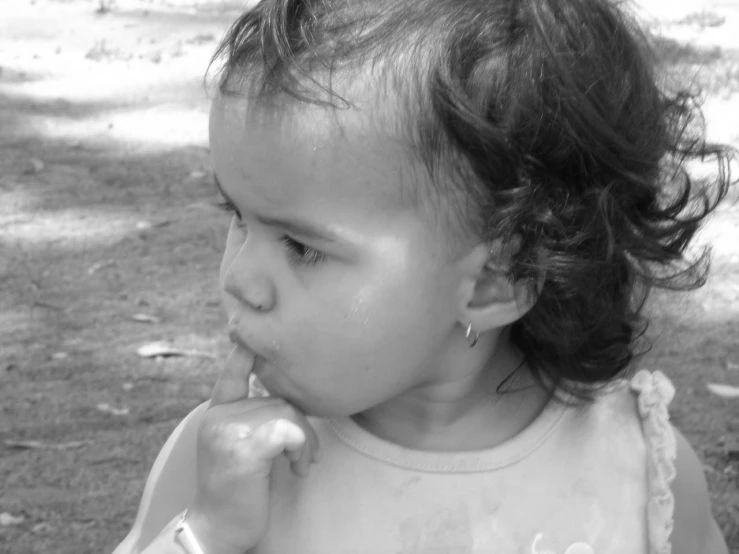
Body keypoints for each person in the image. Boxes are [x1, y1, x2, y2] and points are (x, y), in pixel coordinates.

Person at [112, 0, 735, 552]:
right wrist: (207, 534)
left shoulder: (640, 472)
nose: (239, 278)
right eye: (238, 218)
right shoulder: (225, 468)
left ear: (496, 279)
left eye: (301, 247)